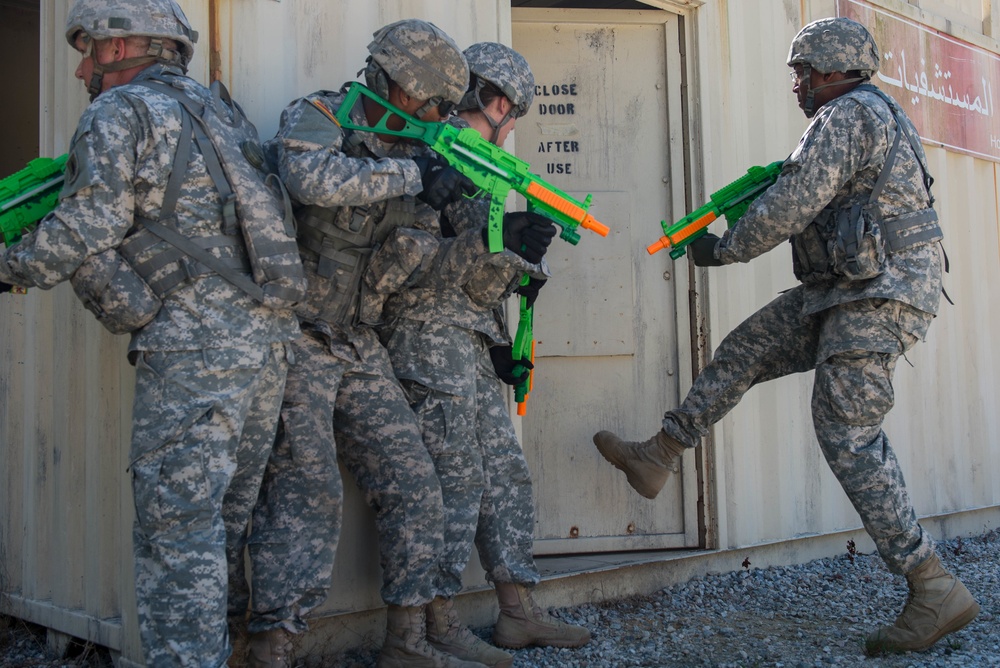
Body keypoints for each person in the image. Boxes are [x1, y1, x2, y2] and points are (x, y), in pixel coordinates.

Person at [592, 17, 979, 654]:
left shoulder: (849, 114)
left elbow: (797, 198)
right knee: (748, 348)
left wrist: (727, 247)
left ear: (834, 70)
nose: (796, 83)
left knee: (846, 432)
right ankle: (659, 453)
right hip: (846, 288)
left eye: (803, 71)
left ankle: (931, 584)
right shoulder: (869, 113)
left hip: (877, 294)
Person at [0, 1, 303, 666]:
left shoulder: (121, 110)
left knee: (177, 531)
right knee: (220, 523)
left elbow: (87, 226)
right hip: (267, 342)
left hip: (196, 350)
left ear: (123, 46)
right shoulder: (217, 109)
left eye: (88, 49)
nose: (80, 68)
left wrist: (9, 263)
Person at [230, 19, 522, 668]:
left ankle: (408, 642)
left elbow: (418, 270)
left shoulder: (420, 153)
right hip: (295, 336)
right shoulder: (322, 117)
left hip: (359, 341)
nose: (440, 117)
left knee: (416, 483)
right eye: (434, 104)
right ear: (400, 86)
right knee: (305, 490)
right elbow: (310, 180)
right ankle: (273, 649)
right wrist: (415, 175)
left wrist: (484, 236)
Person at [377, 42, 591, 668]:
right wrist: (497, 248)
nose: (512, 126)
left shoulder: (479, 167)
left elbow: (473, 271)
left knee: (503, 473)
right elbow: (404, 268)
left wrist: (520, 262)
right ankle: (435, 623)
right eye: (513, 112)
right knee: (453, 480)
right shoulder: (422, 158)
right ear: (495, 101)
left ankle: (517, 609)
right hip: (423, 336)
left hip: (467, 336)